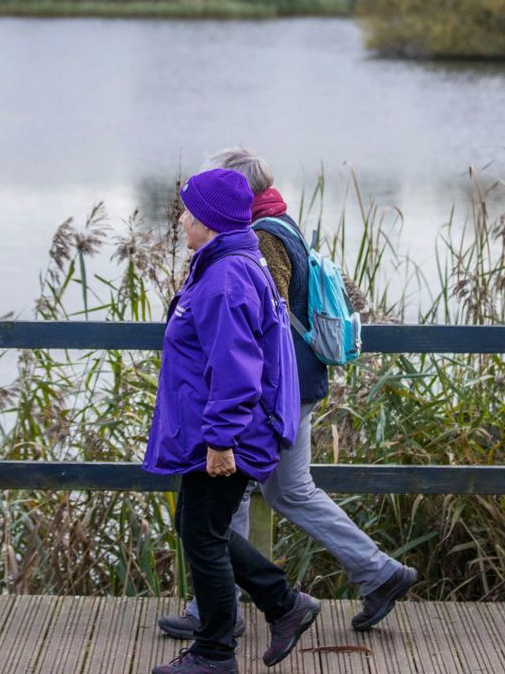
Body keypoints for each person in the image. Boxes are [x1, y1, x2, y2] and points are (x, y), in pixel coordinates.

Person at [158, 149, 415, 642]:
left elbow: (247, 325)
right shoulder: (281, 221)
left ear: (231, 194)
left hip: (270, 391)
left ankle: (219, 611)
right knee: (287, 491)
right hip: (295, 382)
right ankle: (379, 573)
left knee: (225, 495)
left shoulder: (261, 238)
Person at [145, 168, 319, 674]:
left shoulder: (226, 278)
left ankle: (215, 653)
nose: (181, 220)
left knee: (202, 532)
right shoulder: (224, 264)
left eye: (189, 212)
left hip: (228, 435)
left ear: (211, 222)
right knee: (201, 526)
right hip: (222, 430)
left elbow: (238, 372)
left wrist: (220, 442)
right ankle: (284, 604)